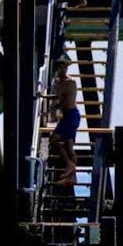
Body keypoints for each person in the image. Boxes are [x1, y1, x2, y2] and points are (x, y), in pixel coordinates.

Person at [49, 57, 80, 185]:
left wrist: (50, 110)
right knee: (69, 146)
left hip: (71, 116)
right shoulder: (58, 82)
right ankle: (72, 177)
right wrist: (44, 96)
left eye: (64, 67)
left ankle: (69, 165)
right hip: (69, 116)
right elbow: (57, 97)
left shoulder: (70, 82)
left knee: (53, 140)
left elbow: (64, 102)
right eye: (60, 67)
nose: (62, 70)